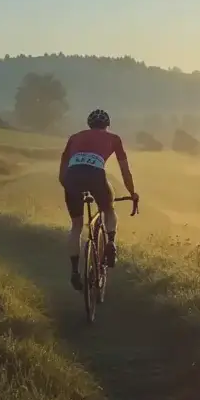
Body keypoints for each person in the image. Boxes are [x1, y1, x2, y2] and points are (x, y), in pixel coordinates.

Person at [59, 108, 138, 291]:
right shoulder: (114, 139)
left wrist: (69, 188)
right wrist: (132, 192)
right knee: (108, 209)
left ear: (89, 125)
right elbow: (125, 171)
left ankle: (74, 272)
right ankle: (110, 241)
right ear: (107, 126)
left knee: (76, 226)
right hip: (96, 176)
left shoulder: (74, 137)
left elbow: (62, 170)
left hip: (72, 177)